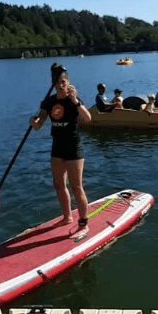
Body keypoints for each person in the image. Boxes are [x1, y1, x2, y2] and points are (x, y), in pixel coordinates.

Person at [30, 64, 92, 239]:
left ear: (68, 82)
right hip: (57, 148)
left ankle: (83, 224)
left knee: (76, 187)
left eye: (63, 82)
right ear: (53, 84)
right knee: (58, 185)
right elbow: (39, 124)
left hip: (73, 148)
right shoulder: (49, 102)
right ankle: (67, 217)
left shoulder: (74, 100)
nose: (60, 85)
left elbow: (88, 119)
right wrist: (33, 122)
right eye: (57, 82)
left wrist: (75, 101)